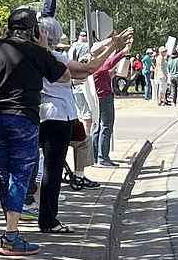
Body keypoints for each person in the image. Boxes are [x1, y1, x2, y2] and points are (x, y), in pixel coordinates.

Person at [0, 7, 71, 255]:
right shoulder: (37, 52)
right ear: (34, 31)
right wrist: (45, 47)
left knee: (5, 173)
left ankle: (10, 228)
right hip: (23, 118)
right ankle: (10, 236)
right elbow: (65, 76)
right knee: (20, 176)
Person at [28, 18, 133, 230]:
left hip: (38, 113)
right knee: (52, 168)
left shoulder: (30, 56)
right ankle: (48, 219)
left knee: (33, 164)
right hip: (58, 115)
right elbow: (90, 68)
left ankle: (31, 203)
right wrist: (114, 45)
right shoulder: (54, 57)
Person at [92, 34, 134, 166]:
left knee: (97, 127)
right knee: (106, 126)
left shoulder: (91, 65)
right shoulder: (99, 65)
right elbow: (111, 62)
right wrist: (126, 49)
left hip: (97, 98)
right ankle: (103, 157)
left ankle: (96, 156)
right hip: (104, 98)